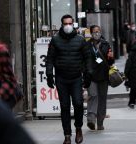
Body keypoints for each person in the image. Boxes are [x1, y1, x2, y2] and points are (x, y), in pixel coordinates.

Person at [46, 14, 91, 144]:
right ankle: (67, 135)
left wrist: (88, 75)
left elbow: (87, 59)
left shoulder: (80, 40)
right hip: (61, 78)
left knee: (78, 104)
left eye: (70, 23)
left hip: (76, 77)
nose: (68, 26)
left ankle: (78, 128)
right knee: (64, 107)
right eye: (65, 24)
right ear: (62, 25)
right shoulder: (55, 40)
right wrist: (49, 75)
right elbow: (50, 59)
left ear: (73, 24)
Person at [85, 25, 114, 131]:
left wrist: (111, 57)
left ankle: (100, 122)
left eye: (98, 31)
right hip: (91, 75)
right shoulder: (87, 45)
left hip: (103, 75)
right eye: (95, 31)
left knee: (102, 99)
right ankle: (91, 120)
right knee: (93, 95)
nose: (97, 33)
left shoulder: (106, 44)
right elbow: (84, 60)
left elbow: (110, 61)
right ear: (91, 33)